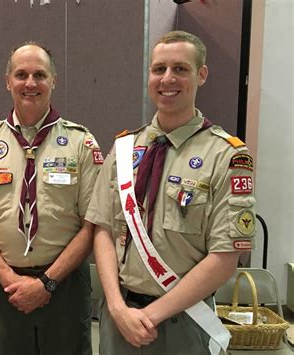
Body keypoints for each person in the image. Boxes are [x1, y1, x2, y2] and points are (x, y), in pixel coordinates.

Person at [86, 30, 256, 354]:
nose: (167, 79)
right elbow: (103, 230)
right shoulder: (124, 149)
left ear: (201, 74)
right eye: (159, 69)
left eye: (180, 69)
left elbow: (224, 257)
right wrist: (117, 309)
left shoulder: (226, 156)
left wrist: (150, 315)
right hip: (120, 317)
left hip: (185, 321)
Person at [0, 42, 102, 355]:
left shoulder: (81, 142)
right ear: (7, 81)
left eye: (39, 74)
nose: (30, 83)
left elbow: (91, 226)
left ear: (53, 80)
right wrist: (9, 278)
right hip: (6, 286)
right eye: (21, 74)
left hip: (64, 287)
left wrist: (47, 284)